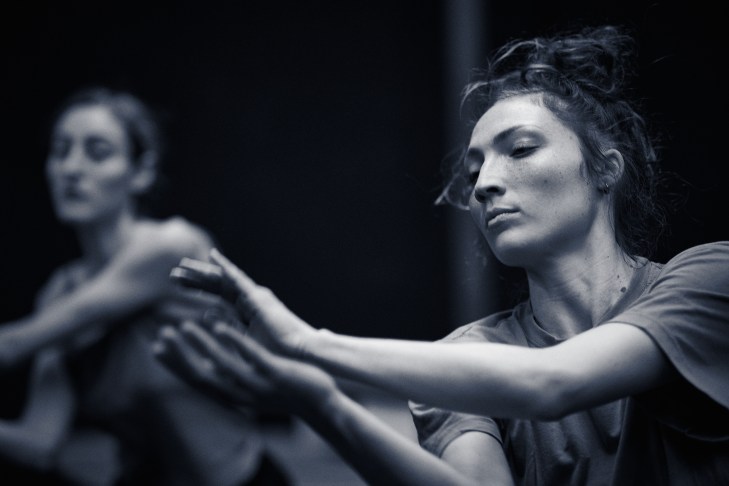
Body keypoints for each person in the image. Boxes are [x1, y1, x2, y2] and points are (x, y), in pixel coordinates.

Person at [153, 25, 729, 485]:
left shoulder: (708, 279)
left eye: (520, 149)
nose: (484, 186)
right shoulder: (465, 357)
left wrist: (310, 344)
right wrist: (321, 404)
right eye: (474, 172)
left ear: (605, 169)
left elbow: (552, 382)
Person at [0, 87, 290, 485]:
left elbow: (13, 345)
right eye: (60, 151)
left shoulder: (173, 248)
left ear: (142, 172)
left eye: (97, 152)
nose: (71, 168)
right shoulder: (58, 293)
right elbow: (39, 443)